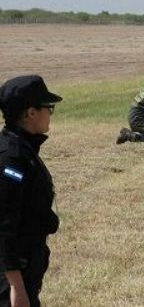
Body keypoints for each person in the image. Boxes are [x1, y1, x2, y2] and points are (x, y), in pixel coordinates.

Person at [0, 75, 62, 307]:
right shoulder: (12, 159)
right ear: (31, 113)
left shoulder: (22, 148)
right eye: (48, 107)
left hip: (24, 269)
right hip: (11, 278)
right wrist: (16, 286)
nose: (50, 113)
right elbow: (4, 225)